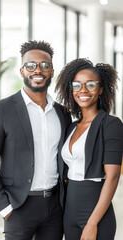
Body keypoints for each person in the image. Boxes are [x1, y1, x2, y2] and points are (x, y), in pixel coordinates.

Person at [0, 40, 71, 240]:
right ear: (22, 71)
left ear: (52, 71)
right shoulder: (2, 111)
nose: (38, 70)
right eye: (31, 65)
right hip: (18, 207)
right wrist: (4, 207)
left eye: (44, 65)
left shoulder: (62, 113)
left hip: (54, 207)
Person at [55, 58, 123, 240]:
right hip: (70, 212)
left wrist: (92, 223)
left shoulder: (111, 124)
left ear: (100, 89)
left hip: (95, 212)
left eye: (90, 85)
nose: (83, 90)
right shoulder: (72, 127)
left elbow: (113, 176)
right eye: (77, 85)